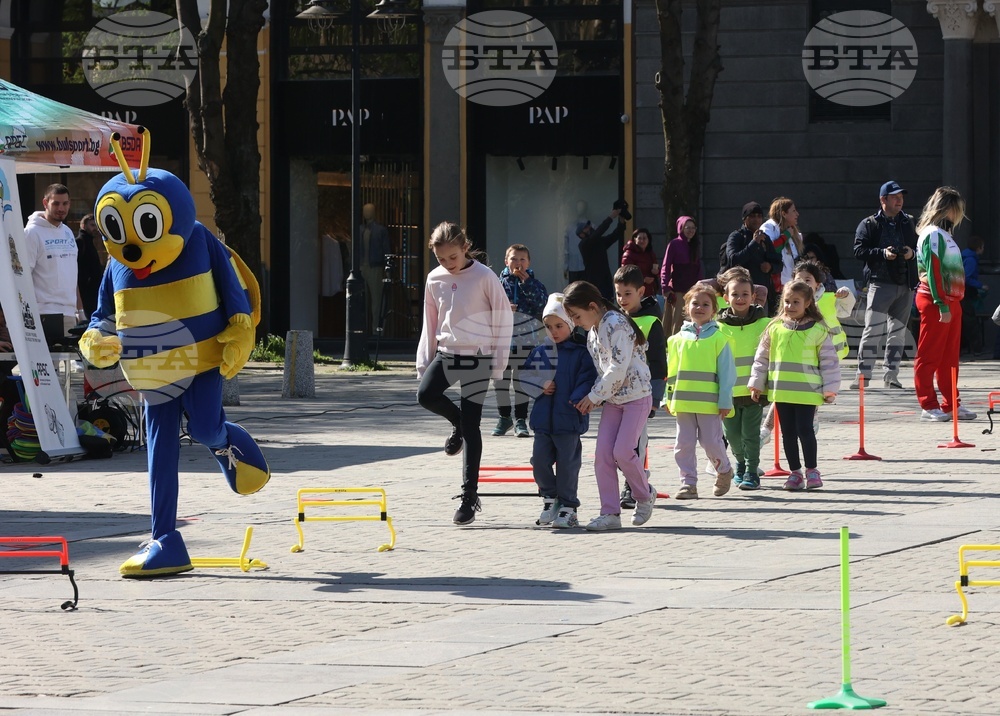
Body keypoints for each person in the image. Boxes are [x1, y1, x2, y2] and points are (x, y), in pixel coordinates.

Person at [416, 222, 514, 526]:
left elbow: (503, 319)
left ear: (465, 248)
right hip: (448, 352)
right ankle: (455, 421)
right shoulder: (435, 279)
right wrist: (424, 360)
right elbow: (430, 322)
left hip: (479, 357)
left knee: (473, 425)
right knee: (425, 396)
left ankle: (469, 497)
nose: (447, 264)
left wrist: (499, 363)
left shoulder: (485, 277)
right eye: (441, 259)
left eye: (452, 258)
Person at [562, 280, 655, 531]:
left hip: (637, 398)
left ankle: (645, 495)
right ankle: (610, 512)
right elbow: (601, 371)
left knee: (623, 451)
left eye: (576, 315)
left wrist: (594, 396)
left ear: (592, 306)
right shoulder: (593, 331)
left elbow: (618, 367)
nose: (575, 322)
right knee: (603, 455)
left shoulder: (615, 323)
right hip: (614, 402)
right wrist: (594, 396)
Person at [748, 281, 840, 491]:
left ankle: (812, 470)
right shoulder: (775, 328)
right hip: (782, 392)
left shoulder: (818, 330)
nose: (790, 306)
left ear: (808, 303)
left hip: (807, 393)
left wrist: (830, 389)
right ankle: (795, 473)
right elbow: (761, 359)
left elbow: (829, 361)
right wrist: (757, 384)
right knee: (787, 433)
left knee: (805, 431)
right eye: (787, 301)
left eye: (796, 302)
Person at [520, 293, 598, 529]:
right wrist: (540, 384)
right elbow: (525, 377)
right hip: (543, 421)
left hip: (569, 420)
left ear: (571, 325)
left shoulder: (581, 352)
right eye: (548, 326)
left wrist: (577, 397)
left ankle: (568, 507)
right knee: (539, 462)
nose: (553, 331)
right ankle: (549, 498)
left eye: (559, 326)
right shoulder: (540, 352)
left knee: (568, 466)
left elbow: (588, 379)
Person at [664, 285, 737, 499]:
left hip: (710, 404)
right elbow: (671, 372)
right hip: (684, 403)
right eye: (695, 303)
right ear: (686, 307)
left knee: (711, 442)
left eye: (706, 304)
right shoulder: (676, 340)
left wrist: (725, 401)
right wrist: (667, 399)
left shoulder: (719, 339)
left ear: (714, 310)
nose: (700, 307)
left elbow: (727, 374)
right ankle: (688, 483)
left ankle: (723, 470)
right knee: (683, 444)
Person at [913, 187, 975, 422]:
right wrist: (941, 304)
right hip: (936, 300)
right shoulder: (932, 235)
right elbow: (933, 270)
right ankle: (928, 404)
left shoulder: (942, 234)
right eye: (958, 209)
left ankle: (951, 403)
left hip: (950, 300)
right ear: (948, 208)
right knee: (929, 355)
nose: (960, 214)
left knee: (949, 358)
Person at [851, 181, 918, 390]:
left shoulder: (909, 222)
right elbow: (858, 250)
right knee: (873, 331)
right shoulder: (869, 224)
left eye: (901, 197)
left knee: (898, 332)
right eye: (894, 197)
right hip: (880, 285)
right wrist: (882, 253)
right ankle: (863, 376)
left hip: (905, 285)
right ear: (883, 200)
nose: (899, 201)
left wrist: (911, 253)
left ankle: (891, 375)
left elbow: (920, 248)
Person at [613, 265, 665, 509]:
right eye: (618, 293)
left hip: (642, 395)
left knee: (636, 444)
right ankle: (636, 481)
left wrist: (656, 397)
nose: (622, 299)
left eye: (628, 293)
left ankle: (632, 487)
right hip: (617, 395)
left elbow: (658, 362)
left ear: (641, 291)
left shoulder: (651, 322)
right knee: (618, 444)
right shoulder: (614, 319)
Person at [716, 269, 770, 491]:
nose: (740, 299)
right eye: (735, 294)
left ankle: (751, 471)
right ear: (725, 297)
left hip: (753, 391)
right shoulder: (717, 326)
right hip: (727, 393)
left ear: (753, 296)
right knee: (733, 436)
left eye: (745, 294)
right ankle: (739, 463)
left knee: (750, 434)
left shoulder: (764, 323)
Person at [493, 243, 547, 438]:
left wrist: (527, 284)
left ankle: (521, 420)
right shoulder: (497, 283)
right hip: (502, 340)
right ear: (506, 261)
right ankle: (504, 417)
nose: (518, 263)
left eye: (522, 259)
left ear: (529, 262)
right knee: (501, 379)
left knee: (521, 381)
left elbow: (542, 304)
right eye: (514, 259)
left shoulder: (534, 283)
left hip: (527, 340)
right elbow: (486, 307)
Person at [23, 183, 83, 334]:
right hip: (43, 313)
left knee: (66, 357)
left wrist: (80, 311)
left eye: (65, 203)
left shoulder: (68, 232)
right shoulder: (31, 233)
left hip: (69, 314)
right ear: (45, 203)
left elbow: (71, 275)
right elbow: (22, 276)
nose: (61, 209)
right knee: (46, 358)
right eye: (56, 203)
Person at [724, 202, 781, 312]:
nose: (756, 219)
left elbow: (779, 263)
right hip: (741, 295)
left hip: (762, 296)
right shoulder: (737, 236)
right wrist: (754, 243)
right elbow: (733, 260)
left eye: (759, 216)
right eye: (752, 216)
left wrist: (770, 267)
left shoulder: (765, 238)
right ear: (744, 219)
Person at [760, 197, 803, 315]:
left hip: (790, 284)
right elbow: (771, 249)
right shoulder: (769, 227)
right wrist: (786, 236)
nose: (797, 214)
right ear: (783, 213)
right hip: (774, 286)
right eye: (793, 211)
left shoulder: (795, 233)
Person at [660, 215, 703, 335]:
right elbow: (666, 266)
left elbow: (698, 267)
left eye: (693, 228)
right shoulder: (674, 244)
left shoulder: (695, 245)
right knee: (677, 322)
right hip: (677, 290)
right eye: (687, 227)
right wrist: (665, 287)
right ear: (681, 228)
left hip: (692, 289)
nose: (690, 230)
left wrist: (701, 286)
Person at [578, 207, 626, 301]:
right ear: (581, 235)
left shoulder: (599, 242)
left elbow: (614, 236)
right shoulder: (584, 245)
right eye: (586, 228)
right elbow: (599, 232)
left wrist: (621, 222)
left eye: (589, 226)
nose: (589, 228)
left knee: (609, 304)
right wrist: (611, 217)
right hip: (594, 282)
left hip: (606, 280)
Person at [360, 203, 391, 332]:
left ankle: (376, 330)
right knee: (361, 301)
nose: (367, 213)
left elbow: (386, 251)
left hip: (376, 268)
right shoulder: (359, 230)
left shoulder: (380, 231)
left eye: (370, 210)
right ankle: (361, 330)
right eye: (365, 210)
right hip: (361, 268)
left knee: (376, 301)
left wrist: (387, 269)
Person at [621, 228, 661, 311]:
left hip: (650, 291)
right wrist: (643, 280)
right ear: (635, 239)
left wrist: (657, 272)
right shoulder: (629, 254)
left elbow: (657, 271)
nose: (642, 241)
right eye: (640, 238)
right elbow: (626, 274)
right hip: (635, 292)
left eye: (644, 238)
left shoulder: (650, 254)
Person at [961, 236, 987, 354]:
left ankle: (964, 347)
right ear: (979, 248)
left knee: (963, 320)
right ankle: (977, 348)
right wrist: (981, 286)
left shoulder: (965, 256)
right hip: (966, 292)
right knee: (970, 320)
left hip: (961, 292)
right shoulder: (971, 259)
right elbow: (967, 277)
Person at [76, 214, 105, 320]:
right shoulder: (80, 242)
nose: (95, 229)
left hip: (92, 293)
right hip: (86, 294)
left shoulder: (89, 242)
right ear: (83, 225)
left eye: (96, 226)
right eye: (92, 225)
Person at [564, 200, 589, 283]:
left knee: (585, 292)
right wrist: (566, 266)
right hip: (573, 267)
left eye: (582, 207)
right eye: (578, 207)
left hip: (586, 267)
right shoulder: (570, 228)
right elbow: (566, 249)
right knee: (572, 291)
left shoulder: (591, 227)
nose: (579, 209)